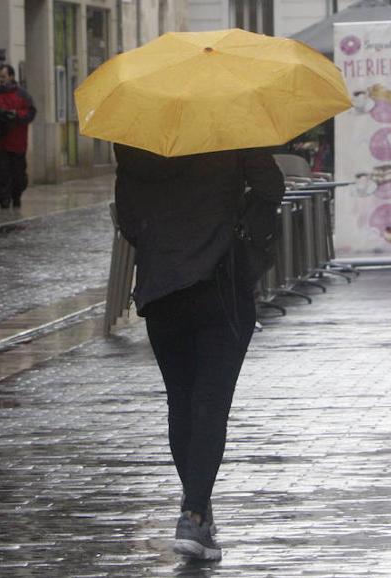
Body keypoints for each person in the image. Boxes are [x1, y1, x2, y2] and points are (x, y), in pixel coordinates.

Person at [114, 145, 284, 561]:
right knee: (210, 402)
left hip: (161, 288)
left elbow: (129, 220)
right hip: (219, 282)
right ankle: (193, 514)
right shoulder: (228, 129)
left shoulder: (135, 142)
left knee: (182, 400)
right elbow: (272, 188)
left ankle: (198, 515)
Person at [0, 65, 37, 208]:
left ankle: (16, 195)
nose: (1, 80)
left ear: (12, 77)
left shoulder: (23, 95)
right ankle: (4, 199)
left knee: (19, 175)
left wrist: (16, 115)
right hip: (0, 143)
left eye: (4, 76)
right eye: (0, 77)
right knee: (3, 174)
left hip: (18, 143)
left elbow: (30, 113)